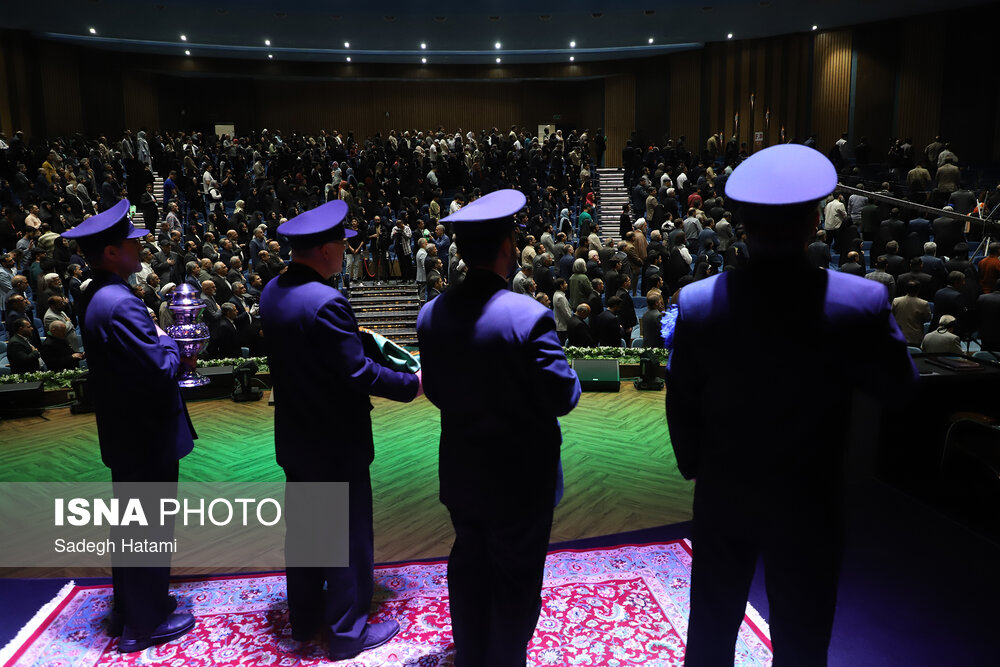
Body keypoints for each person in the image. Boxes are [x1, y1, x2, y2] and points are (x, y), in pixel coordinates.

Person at [665, 144, 916, 666]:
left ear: (742, 225)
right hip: (812, 500)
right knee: (802, 642)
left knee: (710, 630)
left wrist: (698, 468)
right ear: (813, 223)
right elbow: (899, 388)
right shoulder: (861, 302)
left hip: (724, 494)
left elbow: (681, 401)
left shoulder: (698, 302)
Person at [416, 189, 581, 666]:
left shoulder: (431, 314)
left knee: (469, 572)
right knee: (515, 584)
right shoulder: (530, 316)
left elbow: (436, 391)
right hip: (521, 483)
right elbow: (563, 397)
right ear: (508, 248)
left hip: (462, 474)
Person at [259, 199, 422, 661]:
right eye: (342, 245)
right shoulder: (328, 301)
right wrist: (412, 385)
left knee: (307, 534)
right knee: (347, 538)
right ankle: (348, 633)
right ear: (326, 250)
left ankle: (306, 617)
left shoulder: (271, 291)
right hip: (335, 441)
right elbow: (357, 374)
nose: (346, 252)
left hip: (296, 437)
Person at [61, 199, 197, 653]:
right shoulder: (121, 303)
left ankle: (132, 607)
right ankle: (145, 623)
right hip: (146, 435)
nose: (141, 247)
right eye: (132, 243)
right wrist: (171, 342)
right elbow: (161, 369)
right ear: (111, 252)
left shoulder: (96, 293)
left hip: (126, 431)